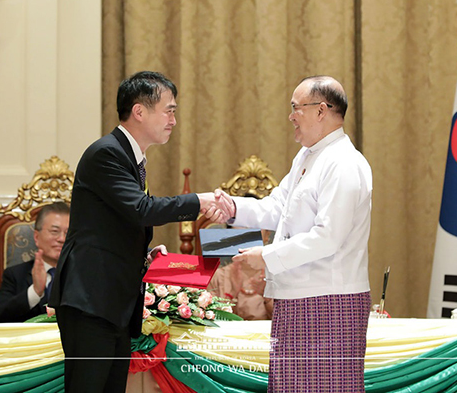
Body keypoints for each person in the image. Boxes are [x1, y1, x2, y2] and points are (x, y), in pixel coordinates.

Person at [48, 71, 232, 393]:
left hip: (111, 302)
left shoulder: (131, 159)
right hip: (90, 299)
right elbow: (141, 210)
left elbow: (115, 225)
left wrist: (144, 256)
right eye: (169, 110)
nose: (174, 120)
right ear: (139, 111)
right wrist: (199, 201)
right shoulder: (107, 153)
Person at [228, 76, 373, 392]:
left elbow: (328, 236)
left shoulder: (344, 163)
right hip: (295, 296)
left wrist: (266, 257)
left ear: (321, 111)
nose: (291, 116)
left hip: (330, 302)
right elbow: (277, 208)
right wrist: (231, 209)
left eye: (296, 108)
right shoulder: (308, 156)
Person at [0, 201, 70, 323]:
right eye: (55, 231)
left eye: (67, 233)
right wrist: (35, 291)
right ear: (37, 237)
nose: (62, 239)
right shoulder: (15, 275)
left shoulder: (84, 274)